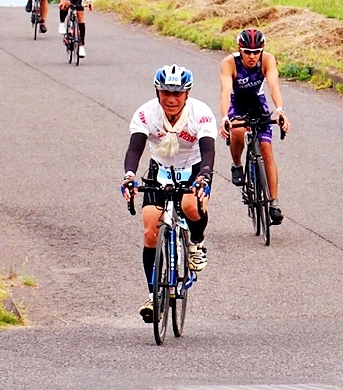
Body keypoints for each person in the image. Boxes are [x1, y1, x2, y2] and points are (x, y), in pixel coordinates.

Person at [121, 64, 216, 323]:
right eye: (166, 93)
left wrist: (204, 176)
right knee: (150, 231)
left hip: (194, 168)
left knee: (191, 206)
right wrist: (129, 176)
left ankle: (196, 243)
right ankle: (154, 295)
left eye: (177, 93)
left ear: (187, 94)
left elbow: (208, 150)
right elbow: (134, 149)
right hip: (160, 170)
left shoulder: (200, 113)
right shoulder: (146, 113)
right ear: (157, 92)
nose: (171, 99)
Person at [218, 28, 291, 225]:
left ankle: (274, 203)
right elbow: (225, 92)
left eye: (256, 52)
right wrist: (224, 117)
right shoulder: (229, 63)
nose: (252, 56)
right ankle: (237, 164)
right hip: (237, 102)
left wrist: (280, 110)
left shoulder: (267, 60)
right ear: (239, 50)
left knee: (266, 149)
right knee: (238, 131)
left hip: (257, 102)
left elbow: (273, 86)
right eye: (248, 52)